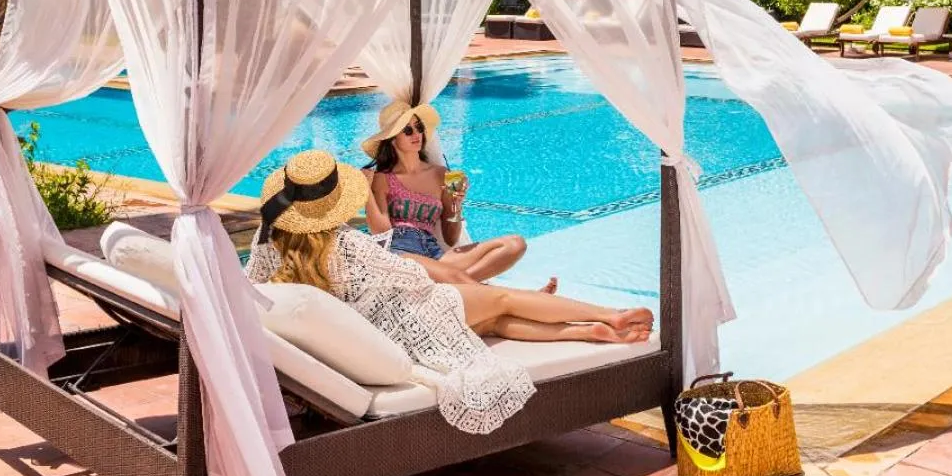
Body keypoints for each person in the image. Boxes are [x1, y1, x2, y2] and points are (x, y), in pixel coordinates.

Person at [246, 149, 653, 435]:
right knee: (500, 299)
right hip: (403, 321)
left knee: (492, 319)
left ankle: (584, 332)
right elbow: (409, 277)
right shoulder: (345, 244)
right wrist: (444, 281)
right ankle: (608, 315)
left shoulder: (267, 246)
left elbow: (251, 284)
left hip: (370, 329)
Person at [361, 98, 554, 290]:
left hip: (435, 254)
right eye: (408, 130)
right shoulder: (383, 178)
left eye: (419, 127)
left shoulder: (442, 175)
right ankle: (526, 297)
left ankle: (452, 288)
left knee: (515, 244)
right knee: (458, 278)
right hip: (403, 253)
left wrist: (456, 203)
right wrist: (366, 191)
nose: (417, 134)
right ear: (393, 139)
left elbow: (450, 238)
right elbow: (381, 232)